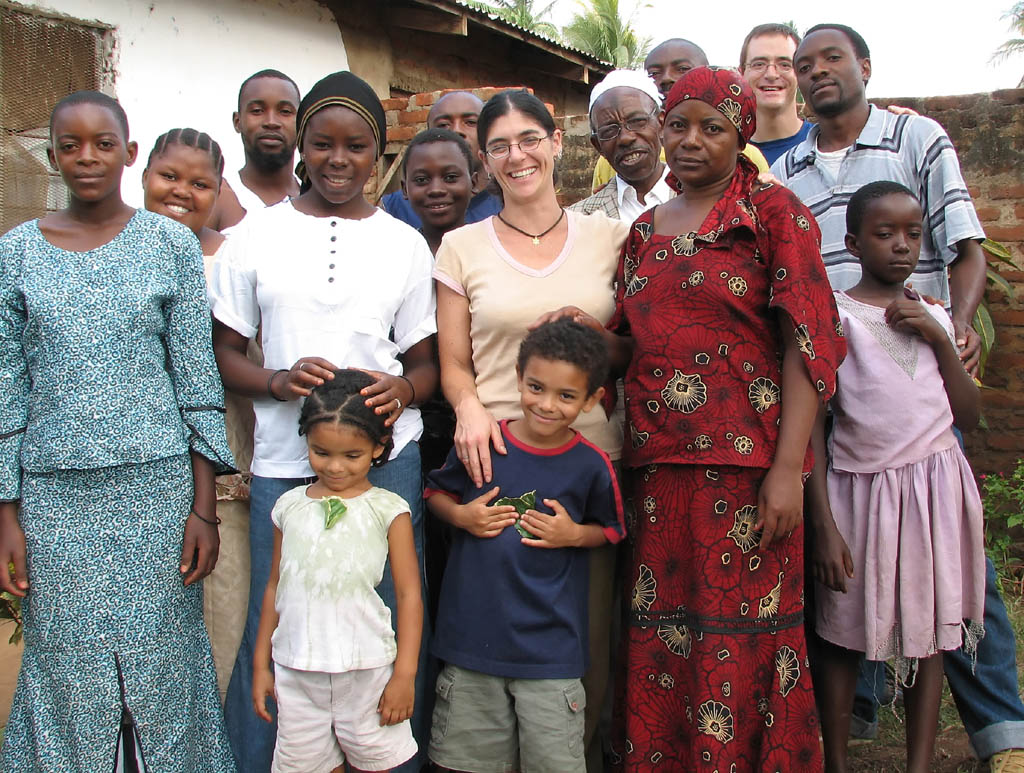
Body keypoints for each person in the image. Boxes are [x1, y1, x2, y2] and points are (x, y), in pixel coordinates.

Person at [775, 25, 1024, 770]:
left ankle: (1003, 733)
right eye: (804, 65)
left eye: (832, 60)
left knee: (957, 590)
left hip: (922, 378)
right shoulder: (787, 166)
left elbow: (963, 243)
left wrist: (957, 331)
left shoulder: (916, 135)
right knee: (853, 598)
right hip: (840, 372)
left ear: (864, 67)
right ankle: (848, 737)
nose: (818, 73)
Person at [585, 66, 846, 771]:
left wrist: (788, 469)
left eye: (712, 127)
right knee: (663, 638)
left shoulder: (772, 213)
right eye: (678, 125)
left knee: (747, 637)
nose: (690, 140)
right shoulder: (642, 231)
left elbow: (808, 344)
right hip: (656, 476)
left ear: (743, 134)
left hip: (747, 474)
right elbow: (633, 345)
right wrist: (577, 336)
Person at [209, 71, 437, 773]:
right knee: (275, 624)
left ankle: (388, 759)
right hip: (285, 461)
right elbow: (222, 354)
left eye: (357, 146)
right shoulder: (255, 237)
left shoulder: (404, 243)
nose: (339, 160)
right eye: (323, 144)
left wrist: (402, 387)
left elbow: (426, 366)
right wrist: (275, 379)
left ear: (379, 152)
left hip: (385, 463)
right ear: (302, 147)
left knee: (387, 617)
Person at [0, 92, 235, 770]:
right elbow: (7, 387)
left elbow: (195, 379)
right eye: (69, 145)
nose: (86, 157)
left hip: (156, 495)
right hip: (54, 504)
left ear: (129, 154)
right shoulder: (14, 254)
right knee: (67, 666)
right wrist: (7, 513)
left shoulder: (168, 245)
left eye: (103, 143)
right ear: (52, 157)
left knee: (163, 665)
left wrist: (202, 509)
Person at [434, 88, 628, 772]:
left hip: (588, 466)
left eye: (528, 139)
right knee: (497, 629)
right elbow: (454, 364)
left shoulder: (610, 236)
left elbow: (640, 342)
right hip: (497, 462)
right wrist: (468, 409)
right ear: (484, 162)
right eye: (499, 145)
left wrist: (603, 338)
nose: (517, 155)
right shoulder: (462, 247)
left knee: (588, 633)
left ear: (556, 143)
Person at [808, 181, 986, 773]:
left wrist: (939, 334)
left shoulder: (935, 315)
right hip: (862, 495)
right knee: (842, 631)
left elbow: (969, 413)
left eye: (913, 233)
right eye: (885, 234)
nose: (903, 246)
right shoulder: (836, 316)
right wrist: (824, 525)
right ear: (854, 243)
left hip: (935, 493)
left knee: (927, 631)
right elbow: (812, 420)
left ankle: (919, 764)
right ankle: (836, 760)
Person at [425, 318, 625, 773]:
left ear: (593, 399)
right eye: (535, 387)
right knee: (466, 764)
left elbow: (612, 530)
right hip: (471, 646)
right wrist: (460, 516)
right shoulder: (486, 443)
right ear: (518, 378)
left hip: (549, 655)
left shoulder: (590, 465)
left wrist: (574, 534)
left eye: (566, 396)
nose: (546, 405)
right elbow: (436, 494)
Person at [252, 369, 421, 773]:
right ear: (307, 441)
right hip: (297, 672)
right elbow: (274, 585)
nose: (335, 467)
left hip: (368, 671)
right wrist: (261, 666)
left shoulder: (388, 509)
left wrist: (405, 676)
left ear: (379, 447)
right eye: (321, 452)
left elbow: (410, 595)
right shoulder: (289, 507)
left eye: (352, 456)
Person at [590, 48, 770, 195]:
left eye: (712, 129)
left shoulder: (747, 161)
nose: (667, 79)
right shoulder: (656, 218)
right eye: (653, 73)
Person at [380, 91, 502, 228]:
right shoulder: (394, 209)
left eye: (470, 122)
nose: (456, 131)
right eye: (443, 125)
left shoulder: (508, 203)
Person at [571, 69, 673, 221]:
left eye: (637, 121)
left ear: (661, 123)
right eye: (609, 131)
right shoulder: (580, 220)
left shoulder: (705, 197)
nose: (625, 138)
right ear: (598, 146)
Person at [209, 69, 302, 231]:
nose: (271, 122)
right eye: (257, 111)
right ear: (238, 122)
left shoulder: (316, 197)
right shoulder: (215, 198)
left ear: (301, 122)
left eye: (285, 112)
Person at [739, 23, 811, 166]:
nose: (771, 74)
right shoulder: (725, 152)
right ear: (741, 74)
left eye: (784, 64)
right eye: (759, 64)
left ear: (800, 72)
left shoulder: (824, 146)